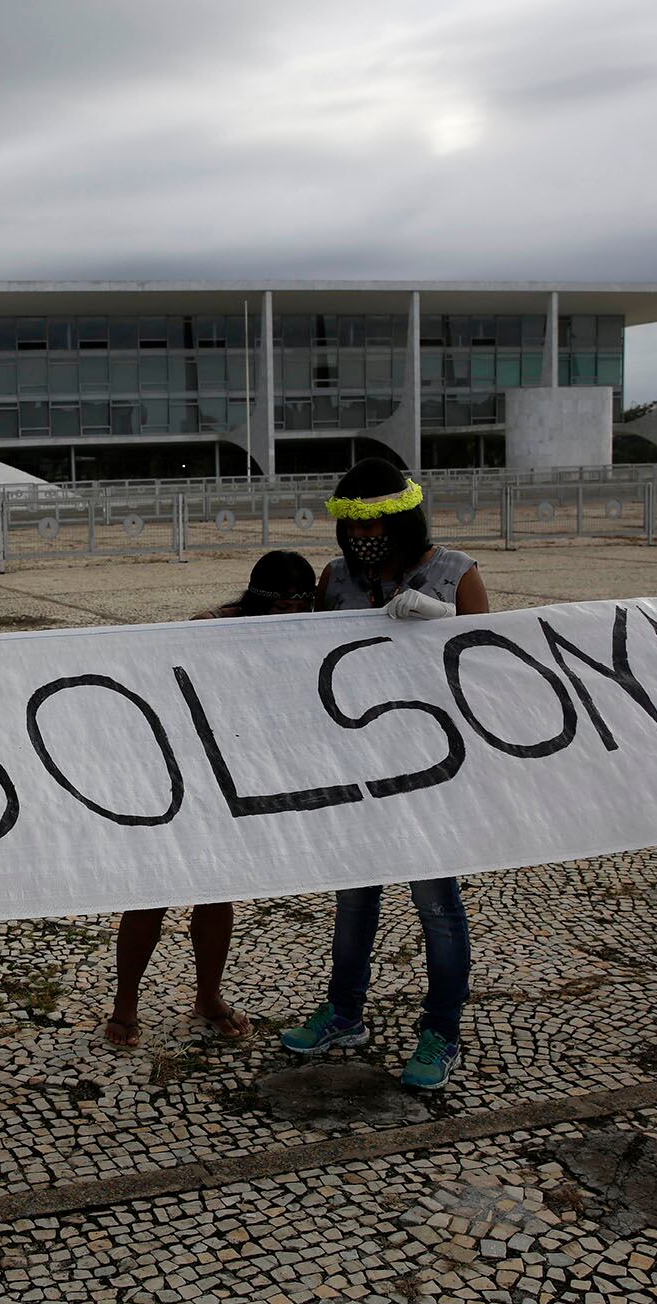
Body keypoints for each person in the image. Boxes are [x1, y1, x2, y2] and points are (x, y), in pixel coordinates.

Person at [279, 457, 488, 1090]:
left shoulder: (455, 573)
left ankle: (442, 1031)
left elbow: (492, 662)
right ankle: (344, 1013)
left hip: (432, 770)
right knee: (353, 899)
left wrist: (444, 622)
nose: (362, 540)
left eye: (375, 526)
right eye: (351, 528)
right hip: (358, 767)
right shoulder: (336, 578)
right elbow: (307, 658)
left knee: (436, 904)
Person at [104, 550, 320, 1048]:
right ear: (257, 602)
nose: (287, 619)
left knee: (217, 891)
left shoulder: (312, 632)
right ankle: (125, 1005)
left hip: (236, 780)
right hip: (179, 775)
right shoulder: (209, 628)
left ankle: (208, 996)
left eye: (297, 609)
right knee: (152, 893)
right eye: (279, 609)